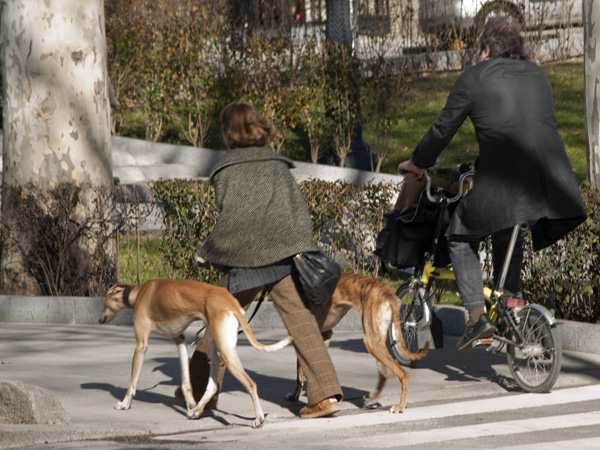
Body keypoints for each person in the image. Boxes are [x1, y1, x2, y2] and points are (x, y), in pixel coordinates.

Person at [397, 17, 586, 353]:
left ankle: (476, 318)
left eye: (476, 50)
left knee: (458, 234)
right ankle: (508, 305)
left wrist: (418, 163)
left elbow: (442, 130)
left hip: (507, 182)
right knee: (507, 225)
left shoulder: (474, 78)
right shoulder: (538, 75)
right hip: (552, 185)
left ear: (485, 49)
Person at [179, 102, 343, 418]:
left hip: (244, 260)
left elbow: (233, 218)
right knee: (301, 320)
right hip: (284, 256)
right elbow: (296, 211)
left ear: (229, 132)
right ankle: (326, 395)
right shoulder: (278, 163)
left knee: (219, 318)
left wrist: (208, 250)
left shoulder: (226, 168)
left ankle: (199, 391)